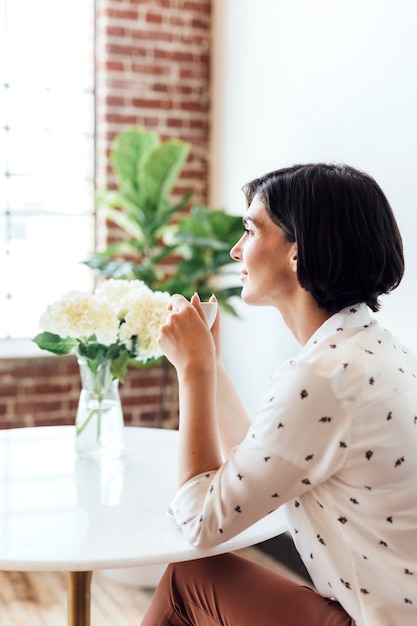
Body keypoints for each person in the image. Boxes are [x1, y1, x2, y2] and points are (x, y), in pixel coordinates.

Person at [141, 163, 417, 626]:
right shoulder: (369, 348)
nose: (235, 249)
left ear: (297, 251)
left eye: (250, 230)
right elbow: (264, 463)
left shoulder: (322, 378)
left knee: (184, 580)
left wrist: (193, 370)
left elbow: (200, 523)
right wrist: (212, 365)